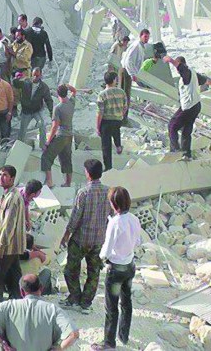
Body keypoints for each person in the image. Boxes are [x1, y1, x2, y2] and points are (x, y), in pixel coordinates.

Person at [92, 187, 142, 351]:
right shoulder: (134, 219)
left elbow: (106, 250)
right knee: (126, 302)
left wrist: (101, 258)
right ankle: (124, 335)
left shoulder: (114, 222)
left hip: (116, 269)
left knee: (111, 308)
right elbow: (138, 242)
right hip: (129, 265)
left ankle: (109, 343)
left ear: (114, 203)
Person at [0, 274, 79, 351]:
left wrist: (2, 342)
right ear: (41, 288)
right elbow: (73, 334)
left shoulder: (8, 306)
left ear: (21, 291)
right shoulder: (53, 310)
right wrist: (58, 349)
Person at [60, 159, 110, 314]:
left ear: (87, 173)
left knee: (71, 269)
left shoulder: (83, 192)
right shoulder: (108, 192)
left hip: (81, 239)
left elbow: (75, 217)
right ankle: (86, 303)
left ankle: (74, 297)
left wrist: (66, 235)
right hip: (98, 240)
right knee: (93, 272)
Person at [164, 55, 211, 160]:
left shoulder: (186, 73)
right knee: (186, 130)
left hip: (189, 106)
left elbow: (181, 67)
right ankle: (186, 154)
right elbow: (204, 80)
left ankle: (175, 151)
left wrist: (170, 60)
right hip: (196, 105)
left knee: (172, 126)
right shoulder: (193, 73)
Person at [0, 165, 26, 300]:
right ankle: (18, 298)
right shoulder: (8, 195)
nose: (1, 178)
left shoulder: (12, 197)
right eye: (0, 175)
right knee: (15, 274)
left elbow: (8, 224)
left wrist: (1, 244)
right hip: (13, 245)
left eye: (5, 175)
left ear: (12, 178)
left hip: (7, 245)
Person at [43, 84, 77, 188]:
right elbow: (74, 91)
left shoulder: (57, 108)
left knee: (46, 157)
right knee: (67, 159)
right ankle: (68, 183)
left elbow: (55, 126)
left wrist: (48, 141)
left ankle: (49, 183)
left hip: (61, 135)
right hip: (69, 135)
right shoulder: (71, 103)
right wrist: (68, 86)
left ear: (58, 94)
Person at [15, 67, 54, 148]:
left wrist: (51, 112)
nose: (35, 77)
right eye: (34, 75)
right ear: (31, 75)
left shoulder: (43, 87)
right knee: (23, 130)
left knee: (42, 126)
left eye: (37, 75)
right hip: (26, 111)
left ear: (40, 75)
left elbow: (48, 100)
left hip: (36, 110)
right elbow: (15, 83)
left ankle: (42, 145)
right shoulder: (26, 82)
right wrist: (17, 78)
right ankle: (18, 146)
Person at [96, 72, 127, 172]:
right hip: (117, 120)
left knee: (106, 146)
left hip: (106, 121)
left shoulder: (102, 95)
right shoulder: (121, 92)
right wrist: (120, 114)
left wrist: (97, 127)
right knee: (116, 131)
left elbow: (100, 113)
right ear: (114, 80)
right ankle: (118, 145)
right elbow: (125, 107)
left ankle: (108, 167)